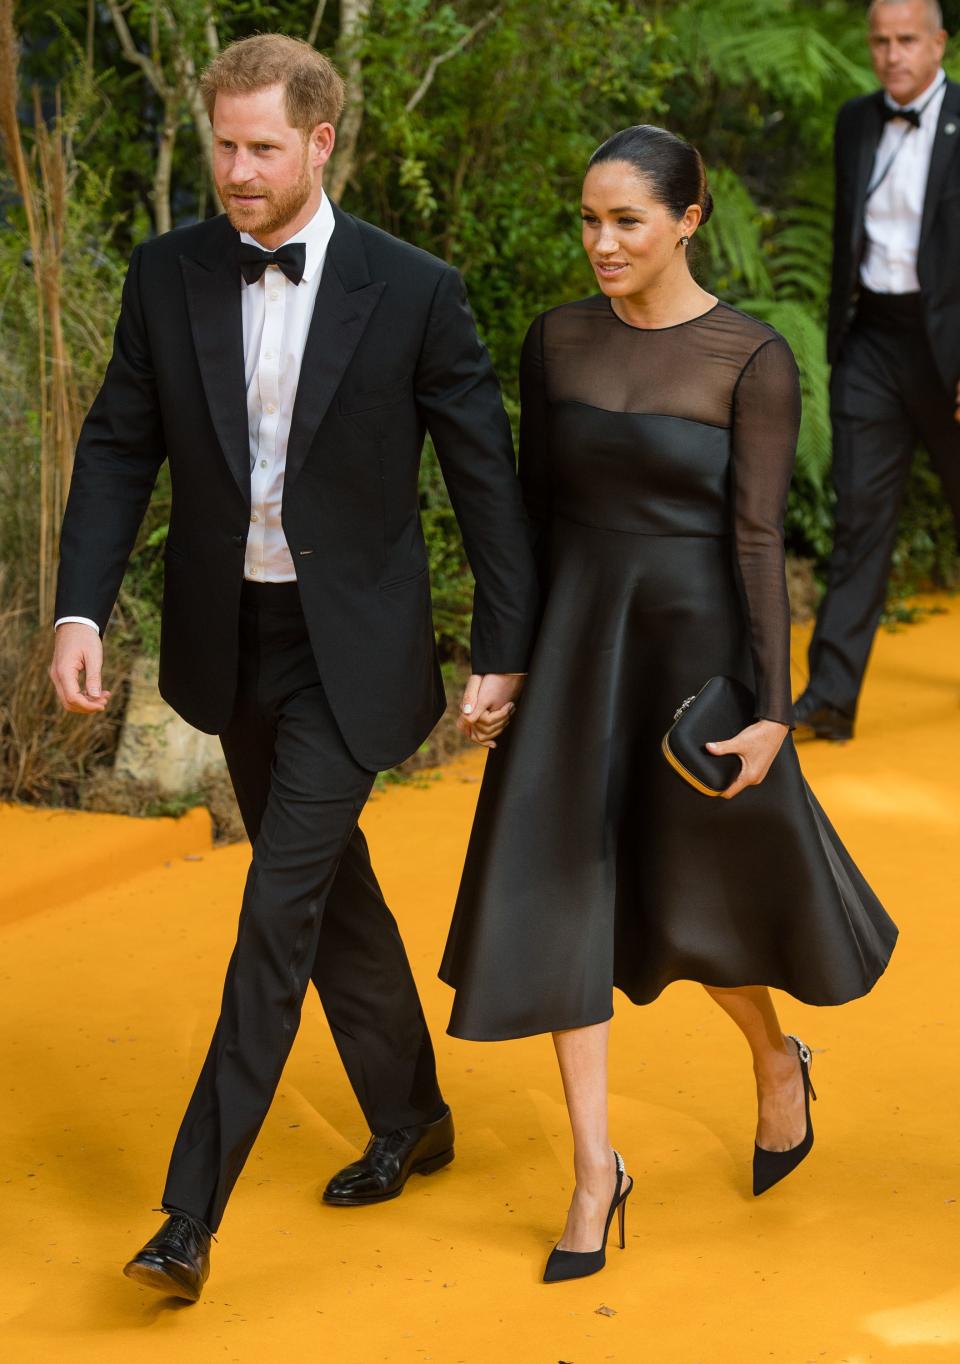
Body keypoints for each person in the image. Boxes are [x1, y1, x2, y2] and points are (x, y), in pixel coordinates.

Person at [49, 34, 537, 1302]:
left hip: (351, 649)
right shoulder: (170, 275)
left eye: (262, 145)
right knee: (332, 897)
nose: (236, 170)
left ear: (322, 142)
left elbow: (483, 472)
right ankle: (413, 1111)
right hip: (233, 638)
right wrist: (77, 609)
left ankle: (188, 1213)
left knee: (274, 912)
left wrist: (504, 645)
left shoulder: (413, 288)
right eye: (223, 143)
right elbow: (116, 446)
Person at [440, 126, 898, 1284]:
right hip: (578, 642)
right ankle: (596, 1171)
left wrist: (774, 710)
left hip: (691, 666)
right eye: (588, 220)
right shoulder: (557, 341)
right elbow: (532, 517)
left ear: (687, 219)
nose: (601, 242)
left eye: (626, 221)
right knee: (561, 899)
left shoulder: (751, 357)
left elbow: (756, 538)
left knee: (692, 900)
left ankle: (775, 1053)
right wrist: (508, 657)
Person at [794, 0, 960, 742]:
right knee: (860, 516)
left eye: (905, 41)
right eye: (880, 42)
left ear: (939, 44)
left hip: (951, 344)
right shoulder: (856, 120)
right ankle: (830, 693)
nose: (891, 55)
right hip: (872, 342)